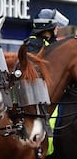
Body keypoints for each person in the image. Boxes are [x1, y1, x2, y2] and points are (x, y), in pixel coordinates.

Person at [23, 8, 69, 159]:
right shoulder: (33, 45)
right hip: (39, 98)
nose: (58, 30)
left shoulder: (50, 43)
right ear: (48, 28)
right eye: (56, 27)